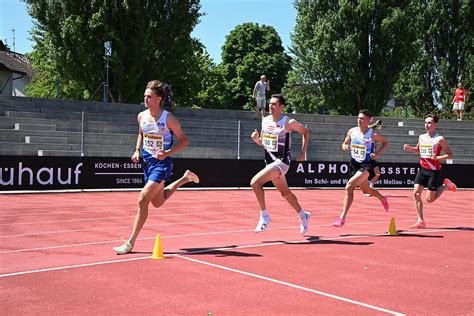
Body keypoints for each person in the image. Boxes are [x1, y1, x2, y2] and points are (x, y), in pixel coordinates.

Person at [113, 80, 199, 255]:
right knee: (158, 203)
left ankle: (130, 243)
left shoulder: (169, 119)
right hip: (147, 163)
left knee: (142, 199)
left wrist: (167, 153)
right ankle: (185, 178)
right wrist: (137, 150)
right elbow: (141, 133)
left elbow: (185, 141)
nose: (145, 99)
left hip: (162, 164)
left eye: (149, 96)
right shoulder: (141, 116)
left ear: (159, 98)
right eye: (145, 96)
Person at [250, 94, 311, 234]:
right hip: (270, 162)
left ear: (281, 107)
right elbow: (265, 144)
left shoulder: (288, 122)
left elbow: (306, 132)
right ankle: (303, 215)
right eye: (270, 103)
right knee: (285, 193)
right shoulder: (264, 121)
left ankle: (264, 216)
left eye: (274, 104)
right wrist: (257, 140)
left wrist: (303, 152)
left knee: (255, 183)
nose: (270, 106)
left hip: (282, 162)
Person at [332, 110, 389, 227]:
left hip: (367, 165)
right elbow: (344, 143)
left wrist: (376, 153)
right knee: (366, 191)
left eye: (362, 118)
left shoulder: (373, 134)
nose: (359, 120)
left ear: (369, 120)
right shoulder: (352, 131)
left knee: (349, 186)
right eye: (358, 118)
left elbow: (385, 143)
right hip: (354, 164)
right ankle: (383, 198)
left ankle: (342, 217)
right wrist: (345, 146)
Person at [403, 113, 457, 229]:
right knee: (416, 193)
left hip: (434, 171)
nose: (427, 125)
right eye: (425, 122)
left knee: (429, 200)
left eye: (429, 123)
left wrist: (437, 158)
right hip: (423, 169)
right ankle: (420, 220)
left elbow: (450, 155)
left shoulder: (439, 139)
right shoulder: (421, 137)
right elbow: (418, 150)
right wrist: (410, 148)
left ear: (435, 124)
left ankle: (444, 185)